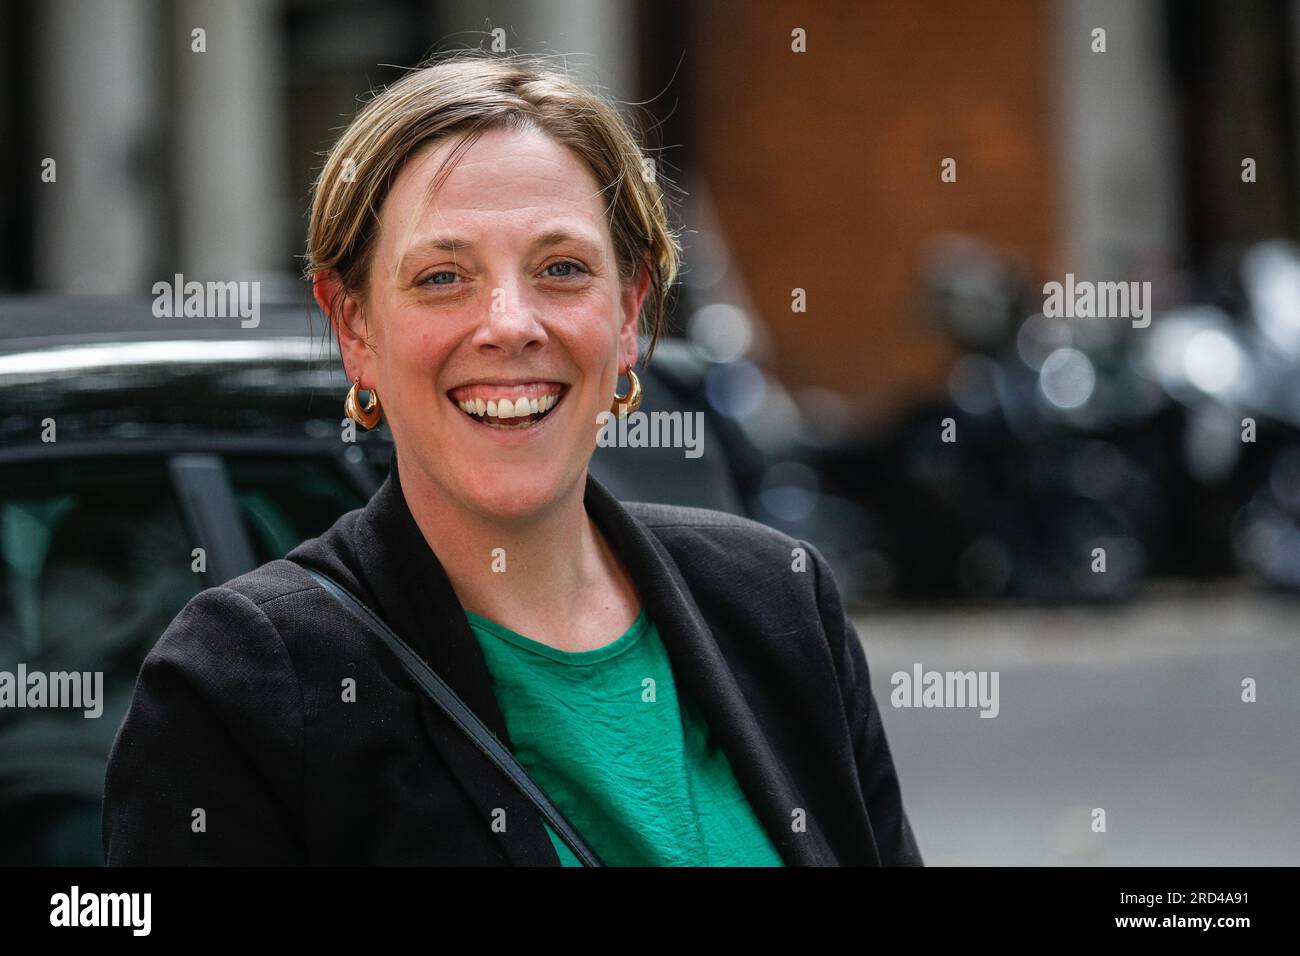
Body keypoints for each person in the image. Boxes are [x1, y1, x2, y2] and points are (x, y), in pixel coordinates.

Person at [102, 50, 922, 867]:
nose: (509, 323)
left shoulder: (778, 600)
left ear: (631, 310)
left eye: (561, 269)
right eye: (442, 277)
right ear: (354, 327)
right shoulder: (240, 681)